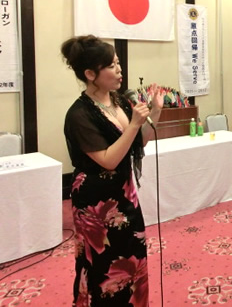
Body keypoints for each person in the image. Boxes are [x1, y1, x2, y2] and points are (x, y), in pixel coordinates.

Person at [61, 35, 163, 306]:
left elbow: (137, 143)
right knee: (103, 267)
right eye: (111, 66)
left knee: (132, 258)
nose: (119, 70)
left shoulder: (119, 101)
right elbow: (108, 160)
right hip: (96, 204)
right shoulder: (79, 115)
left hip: (125, 195)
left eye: (118, 63)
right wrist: (134, 124)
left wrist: (155, 111)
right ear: (90, 74)